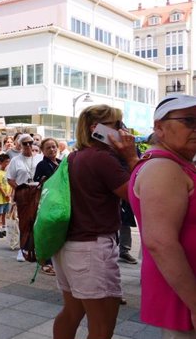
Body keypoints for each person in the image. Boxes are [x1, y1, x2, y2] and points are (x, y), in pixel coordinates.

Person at [52, 104, 138, 339]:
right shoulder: (102, 159)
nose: (123, 130)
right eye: (117, 125)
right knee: (102, 325)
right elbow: (137, 194)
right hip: (92, 247)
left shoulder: (73, 157)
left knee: (71, 312)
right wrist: (131, 157)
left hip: (68, 245)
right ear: (96, 129)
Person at [129, 94, 196, 338]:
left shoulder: (174, 163)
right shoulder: (164, 168)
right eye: (189, 120)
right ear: (159, 127)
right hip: (185, 294)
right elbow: (160, 242)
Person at [6, 133, 43, 262]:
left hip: (38, 192)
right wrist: (19, 189)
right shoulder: (16, 160)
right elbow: (9, 179)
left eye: (30, 143)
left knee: (37, 220)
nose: (28, 145)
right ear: (20, 145)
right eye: (25, 143)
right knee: (24, 221)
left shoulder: (39, 157)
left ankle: (36, 249)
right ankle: (23, 249)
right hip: (23, 192)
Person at [33, 137, 61, 276]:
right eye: (48, 147)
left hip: (61, 203)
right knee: (47, 231)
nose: (52, 150)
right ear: (43, 151)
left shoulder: (61, 163)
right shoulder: (42, 165)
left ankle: (56, 260)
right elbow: (36, 183)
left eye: (54, 147)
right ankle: (45, 261)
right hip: (47, 203)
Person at [0, 153, 11, 238]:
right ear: (0, 163)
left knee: (4, 213)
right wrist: (5, 194)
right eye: (6, 162)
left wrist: (9, 194)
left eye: (8, 162)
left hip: (7, 197)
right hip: (0, 197)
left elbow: (10, 184)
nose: (8, 164)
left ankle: (4, 229)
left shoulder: (8, 172)